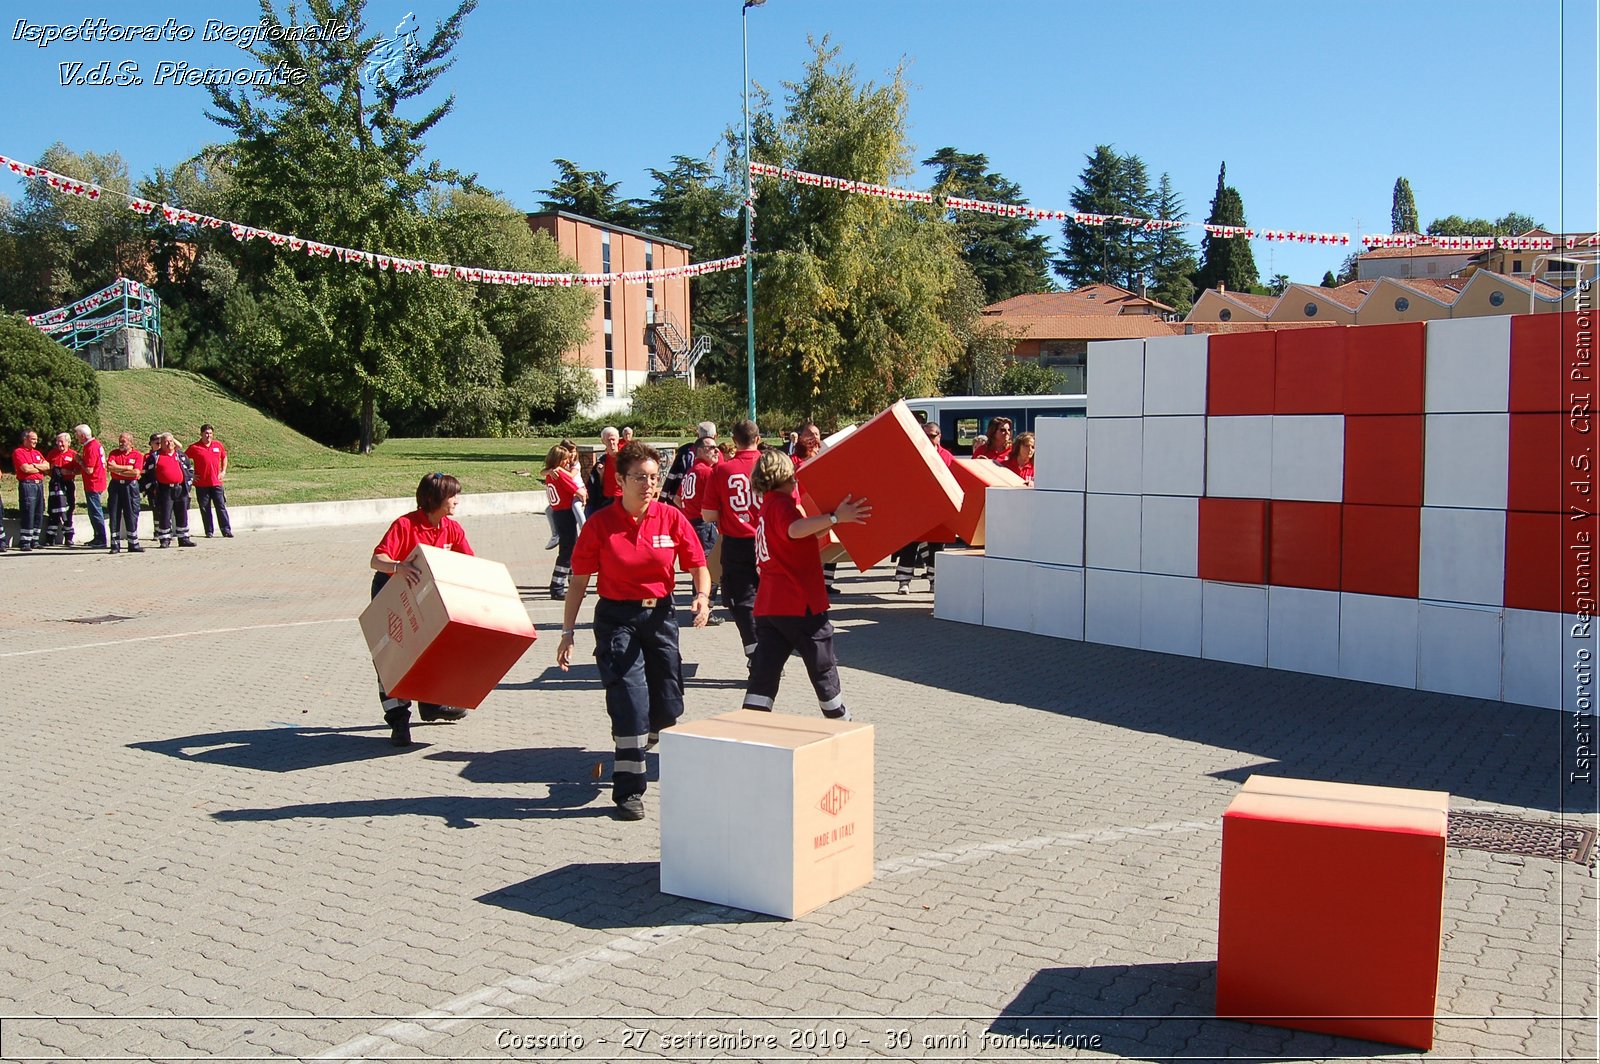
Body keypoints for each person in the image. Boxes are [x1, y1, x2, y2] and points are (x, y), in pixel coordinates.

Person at [557, 442, 710, 821]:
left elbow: (698, 564)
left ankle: (644, 731)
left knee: (669, 705)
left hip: (659, 617)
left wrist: (703, 596)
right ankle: (628, 790)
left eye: (654, 477)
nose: (649, 484)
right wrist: (567, 631)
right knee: (630, 702)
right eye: (640, 477)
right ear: (619, 481)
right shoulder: (600, 525)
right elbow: (578, 582)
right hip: (616, 619)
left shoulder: (670, 518)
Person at [743, 449, 870, 720]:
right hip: (798, 602)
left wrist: (830, 521)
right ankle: (839, 720)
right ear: (783, 475)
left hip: (770, 605)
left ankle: (752, 720)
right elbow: (794, 529)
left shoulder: (767, 505)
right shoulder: (782, 504)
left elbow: (799, 533)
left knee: (765, 669)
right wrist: (835, 518)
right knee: (822, 664)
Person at [370, 473, 472, 746]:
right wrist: (398, 567)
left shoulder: (452, 528)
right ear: (435, 498)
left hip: (426, 596)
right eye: (452, 496)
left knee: (433, 648)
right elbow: (376, 559)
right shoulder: (405, 525)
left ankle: (431, 705)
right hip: (391, 592)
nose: (457, 501)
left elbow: (469, 563)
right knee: (393, 659)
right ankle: (399, 721)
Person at [701, 419, 763, 661]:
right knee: (773, 598)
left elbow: (707, 514)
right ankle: (770, 650)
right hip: (772, 541)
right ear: (757, 439)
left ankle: (755, 652)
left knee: (743, 603)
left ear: (734, 441)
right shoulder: (774, 465)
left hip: (737, 542)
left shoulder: (722, 470)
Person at [543, 442, 586, 599]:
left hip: (558, 513)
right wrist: (583, 494)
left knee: (571, 549)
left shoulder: (550, 474)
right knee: (567, 551)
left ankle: (573, 583)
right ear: (558, 460)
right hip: (565, 513)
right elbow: (578, 490)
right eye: (565, 460)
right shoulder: (559, 474)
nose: (567, 462)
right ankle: (557, 586)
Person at [186, 424, 232, 538]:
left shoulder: (218, 445)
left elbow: (224, 457)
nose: (208, 436)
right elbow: (183, 460)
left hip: (216, 483)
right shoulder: (194, 447)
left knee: (221, 507)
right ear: (201, 434)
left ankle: (226, 529)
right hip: (202, 484)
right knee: (205, 508)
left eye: (210, 433)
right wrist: (190, 475)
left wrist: (223, 471)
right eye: (206, 433)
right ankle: (209, 531)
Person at [151, 433, 197, 548]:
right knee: (165, 514)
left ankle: (183, 538)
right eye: (166, 441)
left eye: (171, 441)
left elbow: (190, 470)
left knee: (182, 513)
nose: (169, 443)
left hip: (180, 488)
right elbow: (148, 474)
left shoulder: (180, 455)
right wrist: (152, 489)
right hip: (164, 490)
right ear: (161, 444)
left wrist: (188, 485)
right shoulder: (155, 456)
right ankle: (165, 539)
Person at [105, 432, 145, 553]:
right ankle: (115, 544)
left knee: (131, 513)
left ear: (131, 442)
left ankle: (133, 543)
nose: (121, 443)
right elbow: (109, 467)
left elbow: (136, 473)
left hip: (130, 487)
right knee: (114, 513)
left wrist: (118, 469)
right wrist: (127, 468)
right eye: (120, 441)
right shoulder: (114, 453)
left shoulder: (137, 455)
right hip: (116, 486)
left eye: (124, 441)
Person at [661, 421, 715, 506]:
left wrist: (662, 498)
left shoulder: (685, 451)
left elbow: (672, 475)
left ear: (697, 436)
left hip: (683, 500)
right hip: (703, 505)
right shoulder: (717, 455)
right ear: (715, 436)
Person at [11, 429, 48, 552]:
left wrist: (34, 465)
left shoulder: (37, 452)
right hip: (28, 485)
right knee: (29, 511)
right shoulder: (19, 452)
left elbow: (47, 466)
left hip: (39, 485)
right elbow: (25, 469)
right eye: (33, 439)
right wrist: (39, 467)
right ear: (25, 439)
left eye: (36, 439)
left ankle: (35, 540)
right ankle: (25, 541)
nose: (35, 442)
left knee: (39, 511)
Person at [74, 425, 109, 549]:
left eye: (77, 435)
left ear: (83, 435)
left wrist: (79, 460)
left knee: (95, 511)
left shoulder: (91, 447)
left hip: (94, 482)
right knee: (94, 510)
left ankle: (101, 538)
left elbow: (89, 469)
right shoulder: (94, 445)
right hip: (96, 481)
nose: (76, 438)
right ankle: (98, 536)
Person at [44, 431, 79, 547]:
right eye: (57, 441)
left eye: (62, 442)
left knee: (67, 509)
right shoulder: (52, 453)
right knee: (53, 510)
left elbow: (79, 470)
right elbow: (46, 468)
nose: (59, 444)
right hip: (54, 484)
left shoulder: (73, 454)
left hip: (68, 484)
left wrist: (67, 472)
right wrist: (53, 473)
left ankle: (68, 537)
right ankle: (50, 538)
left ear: (68, 443)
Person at [584, 426, 622, 517]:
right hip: (606, 501)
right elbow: (597, 485)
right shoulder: (602, 461)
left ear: (618, 440)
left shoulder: (626, 459)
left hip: (623, 500)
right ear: (603, 441)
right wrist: (601, 474)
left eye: (613, 439)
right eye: (608, 440)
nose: (611, 443)